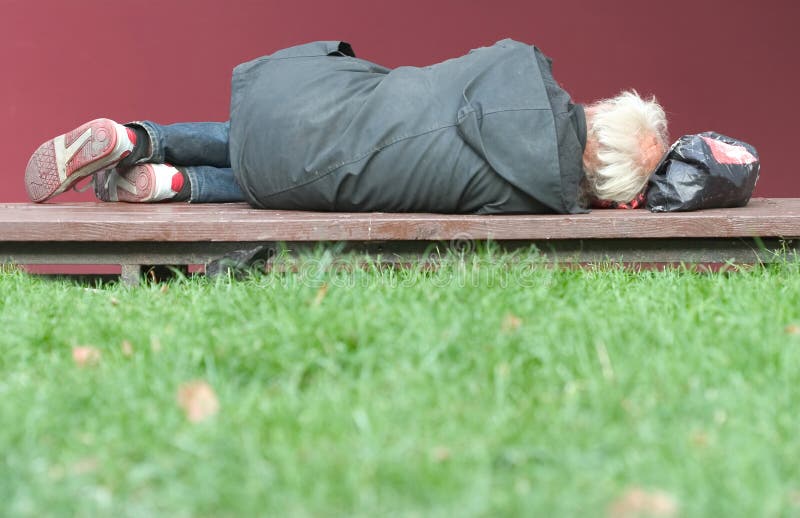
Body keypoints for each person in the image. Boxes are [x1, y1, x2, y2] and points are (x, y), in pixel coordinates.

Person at [25, 39, 669, 213]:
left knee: (325, 120)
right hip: (291, 181)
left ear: (600, 110)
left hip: (290, 103)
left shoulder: (516, 63)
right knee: (319, 169)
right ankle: (177, 184)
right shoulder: (536, 198)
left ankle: (139, 140)